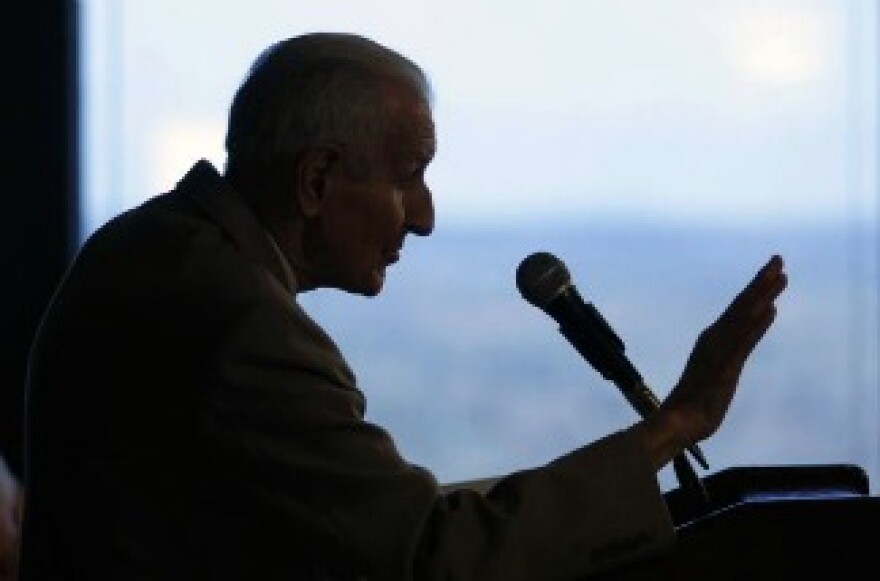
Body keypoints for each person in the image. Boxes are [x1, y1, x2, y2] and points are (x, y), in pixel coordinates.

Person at [19, 32, 787, 580]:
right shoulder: (236, 320)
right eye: (409, 176)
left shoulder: (153, 245)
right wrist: (675, 424)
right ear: (317, 179)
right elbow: (429, 557)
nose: (423, 216)